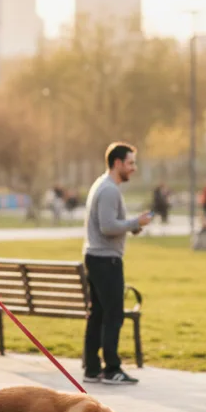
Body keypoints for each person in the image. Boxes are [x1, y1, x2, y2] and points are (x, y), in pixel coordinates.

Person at [82, 142, 153, 386]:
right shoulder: (109, 190)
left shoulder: (102, 186)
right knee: (113, 315)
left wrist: (134, 226)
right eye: (131, 163)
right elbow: (108, 226)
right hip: (106, 260)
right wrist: (135, 222)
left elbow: (109, 225)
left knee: (99, 314)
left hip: (97, 256)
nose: (134, 168)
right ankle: (111, 368)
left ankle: (92, 368)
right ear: (118, 163)